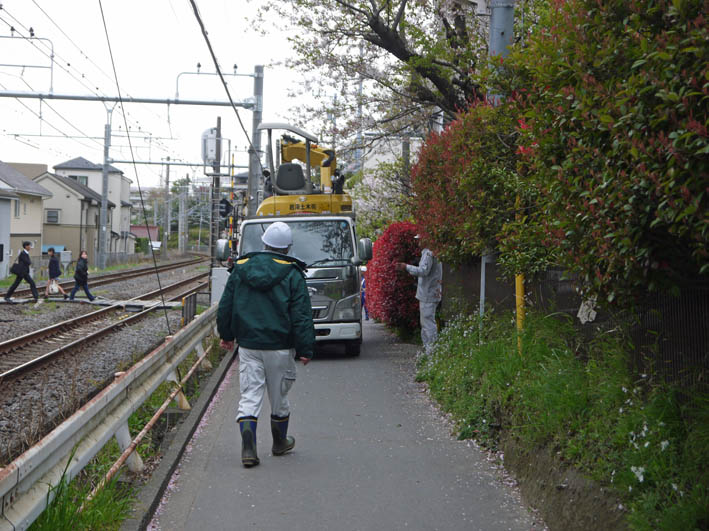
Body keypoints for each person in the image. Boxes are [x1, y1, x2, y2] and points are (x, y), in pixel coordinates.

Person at [217, 221, 315, 468]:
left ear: (265, 243)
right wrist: (305, 348)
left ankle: (248, 447)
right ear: (287, 248)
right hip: (280, 347)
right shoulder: (292, 273)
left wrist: (227, 335)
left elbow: (226, 305)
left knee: (250, 395)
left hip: (249, 345)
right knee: (279, 396)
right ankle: (279, 442)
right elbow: (301, 315)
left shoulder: (240, 269)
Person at [395, 235, 443, 352]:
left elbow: (423, 271)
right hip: (430, 293)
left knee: (428, 323)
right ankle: (428, 350)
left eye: (419, 239)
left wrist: (406, 267)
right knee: (426, 323)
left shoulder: (428, 254)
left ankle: (431, 351)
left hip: (428, 293)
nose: (418, 242)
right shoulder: (431, 253)